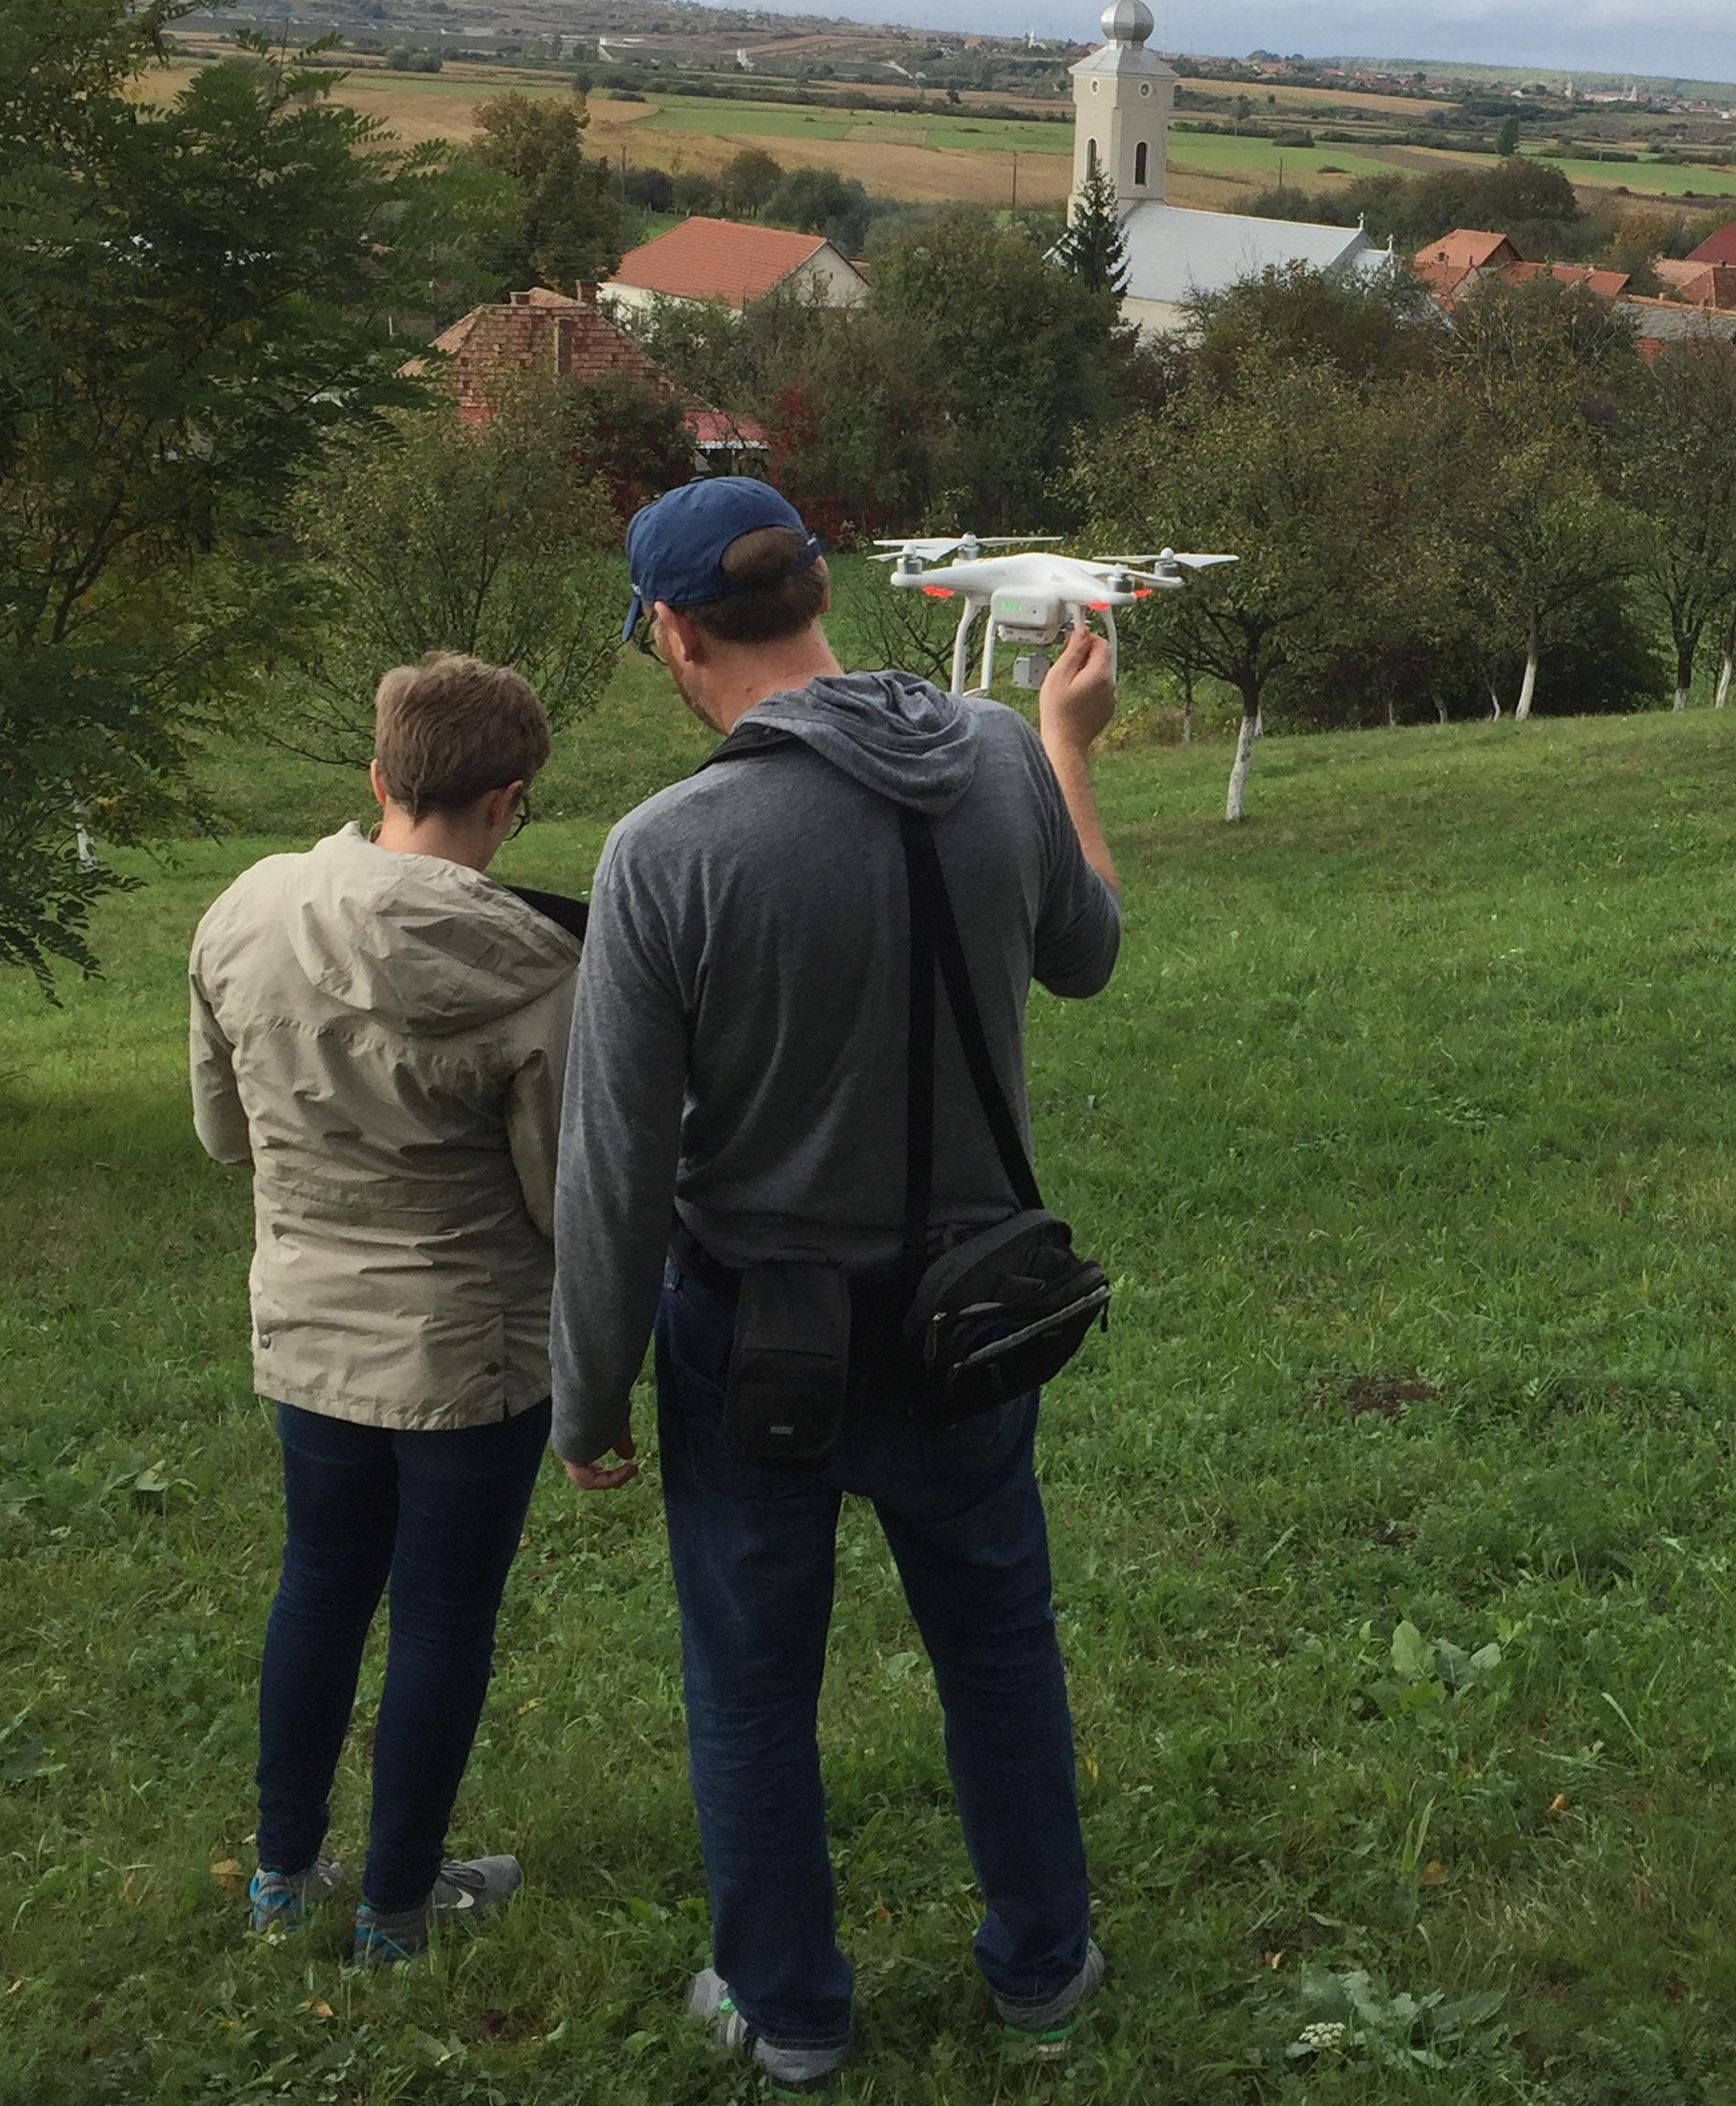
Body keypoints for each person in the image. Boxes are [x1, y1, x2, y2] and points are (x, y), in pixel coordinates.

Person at [549, 478, 1122, 2088]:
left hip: (756, 1336)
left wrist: (586, 1397)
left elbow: (610, 1169)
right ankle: (1043, 1969)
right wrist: (1071, 752)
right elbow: (1085, 954)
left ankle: (790, 2012)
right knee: (999, 1641)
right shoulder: (1000, 756)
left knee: (749, 1674)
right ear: (820, 591)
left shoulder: (667, 853)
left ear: (672, 632)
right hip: (970, 1311)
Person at [188, 653, 581, 1964]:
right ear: (508, 797)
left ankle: (281, 1877)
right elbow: (561, 1195)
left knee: (319, 1582)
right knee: (443, 1614)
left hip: (305, 1329)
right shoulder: (531, 966)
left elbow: (224, 1136)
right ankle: (397, 1907)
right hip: (469, 1353)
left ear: (379, 777)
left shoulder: (245, 912)